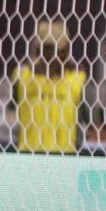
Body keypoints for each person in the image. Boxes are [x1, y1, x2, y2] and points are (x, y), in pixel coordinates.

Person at [9, 19, 87, 153]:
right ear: (38, 49)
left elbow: (91, 124)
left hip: (64, 159)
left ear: (66, 51)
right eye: (48, 49)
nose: (52, 56)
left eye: (56, 50)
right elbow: (11, 112)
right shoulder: (22, 77)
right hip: (29, 157)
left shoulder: (78, 81)